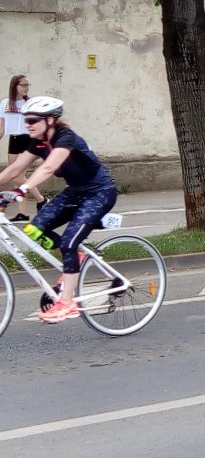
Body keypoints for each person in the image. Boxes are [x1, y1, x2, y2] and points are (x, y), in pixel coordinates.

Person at [0, 96, 117, 323]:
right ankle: (78, 258)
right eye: (26, 119)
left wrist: (22, 189)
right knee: (34, 229)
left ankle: (67, 302)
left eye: (33, 119)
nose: (28, 124)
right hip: (75, 192)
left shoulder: (66, 138)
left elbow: (49, 167)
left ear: (51, 120)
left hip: (100, 192)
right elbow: (15, 168)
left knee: (68, 242)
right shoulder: (38, 142)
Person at [0, 75, 48, 221]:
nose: (26, 88)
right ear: (15, 86)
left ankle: (41, 200)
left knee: (18, 176)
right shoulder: (5, 103)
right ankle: (23, 213)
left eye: (28, 85)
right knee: (17, 179)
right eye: (23, 85)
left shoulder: (30, 104)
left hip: (27, 139)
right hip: (13, 139)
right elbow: (2, 125)